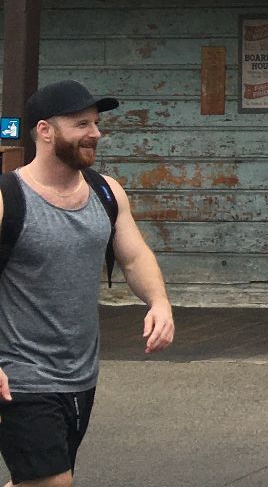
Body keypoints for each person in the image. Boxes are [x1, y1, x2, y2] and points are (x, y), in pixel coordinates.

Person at [0, 81, 174, 487]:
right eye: (81, 124)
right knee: (54, 482)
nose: (95, 132)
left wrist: (159, 302)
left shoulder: (107, 192)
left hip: (80, 374)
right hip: (19, 376)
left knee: (38, 481)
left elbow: (134, 256)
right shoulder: (8, 198)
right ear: (45, 131)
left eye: (96, 123)